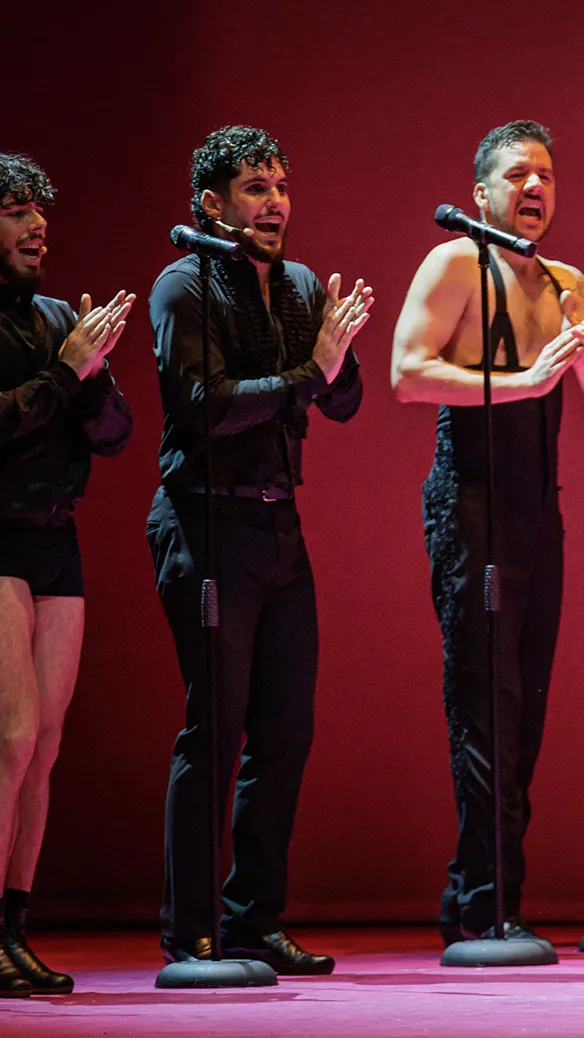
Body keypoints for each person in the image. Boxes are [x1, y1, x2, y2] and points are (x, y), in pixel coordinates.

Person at [392, 121, 584, 948]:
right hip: (471, 503)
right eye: (519, 174)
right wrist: (523, 381)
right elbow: (407, 373)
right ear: (482, 192)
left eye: (547, 176)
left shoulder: (564, 279)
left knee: (525, 710)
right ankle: (492, 901)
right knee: (485, 704)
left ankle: (474, 891)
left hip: (537, 512)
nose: (535, 187)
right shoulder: (457, 261)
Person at [148, 126, 371, 974]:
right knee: (216, 728)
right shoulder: (184, 284)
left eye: (280, 186)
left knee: (285, 730)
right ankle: (192, 931)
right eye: (255, 188)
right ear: (212, 204)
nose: (275, 203)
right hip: (205, 524)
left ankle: (252, 920)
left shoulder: (302, 284)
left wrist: (336, 360)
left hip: (279, 528)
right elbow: (205, 407)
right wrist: (312, 372)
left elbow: (341, 402)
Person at [0, 153, 133, 997]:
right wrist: (62, 373)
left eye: (39, 209)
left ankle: (14, 931)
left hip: (56, 537)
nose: (37, 224)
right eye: (16, 210)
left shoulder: (58, 317)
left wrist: (90, 377)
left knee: (44, 746)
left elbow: (116, 435)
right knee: (10, 737)